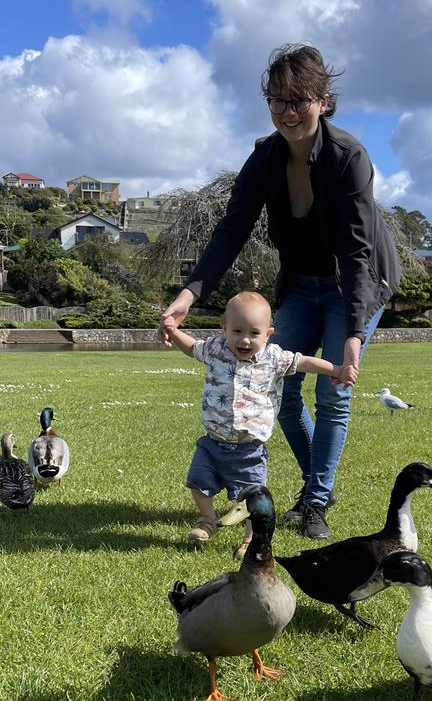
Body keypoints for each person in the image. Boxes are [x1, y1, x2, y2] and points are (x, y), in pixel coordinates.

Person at [161, 43, 401, 539]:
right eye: (278, 101)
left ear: (324, 101)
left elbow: (357, 251)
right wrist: (191, 293)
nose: (289, 113)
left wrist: (355, 332)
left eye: (300, 100)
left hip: (357, 284)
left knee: (333, 392)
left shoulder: (348, 157)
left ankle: (314, 501)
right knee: (281, 387)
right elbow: (232, 229)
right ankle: (322, 482)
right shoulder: (264, 158)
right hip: (301, 283)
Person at [168, 290, 356, 552]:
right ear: (224, 328)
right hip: (213, 443)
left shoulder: (274, 357)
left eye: (254, 333)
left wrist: (336, 370)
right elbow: (191, 347)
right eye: (237, 331)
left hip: (249, 449)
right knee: (198, 484)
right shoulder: (215, 349)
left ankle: (251, 538)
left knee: (251, 500)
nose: (245, 340)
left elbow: (305, 362)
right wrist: (173, 330)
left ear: (268, 334)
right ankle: (207, 520)